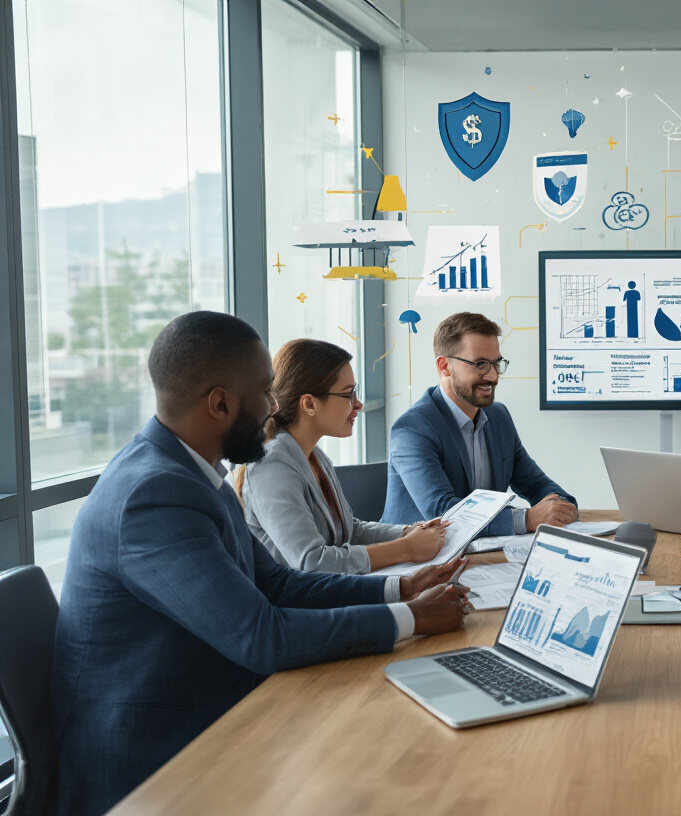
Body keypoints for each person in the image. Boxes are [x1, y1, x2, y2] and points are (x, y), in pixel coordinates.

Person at [50, 313, 472, 816]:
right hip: (150, 761)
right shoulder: (153, 494)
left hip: (212, 712)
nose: (275, 406)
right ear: (220, 402)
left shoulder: (197, 470)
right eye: (266, 392)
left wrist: (400, 590)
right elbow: (261, 636)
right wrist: (412, 619)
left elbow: (277, 583)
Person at [236, 339, 449, 573]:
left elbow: (350, 532)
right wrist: (405, 548)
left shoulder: (314, 455)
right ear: (309, 403)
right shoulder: (272, 467)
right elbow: (312, 561)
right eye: (348, 395)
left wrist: (408, 532)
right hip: (300, 604)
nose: (357, 404)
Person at [381, 311, 578, 535]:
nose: (493, 376)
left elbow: (535, 483)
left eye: (496, 363)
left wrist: (562, 505)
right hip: (417, 561)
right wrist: (526, 518)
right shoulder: (412, 429)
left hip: (482, 554)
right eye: (480, 364)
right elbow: (442, 512)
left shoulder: (498, 416)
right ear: (444, 366)